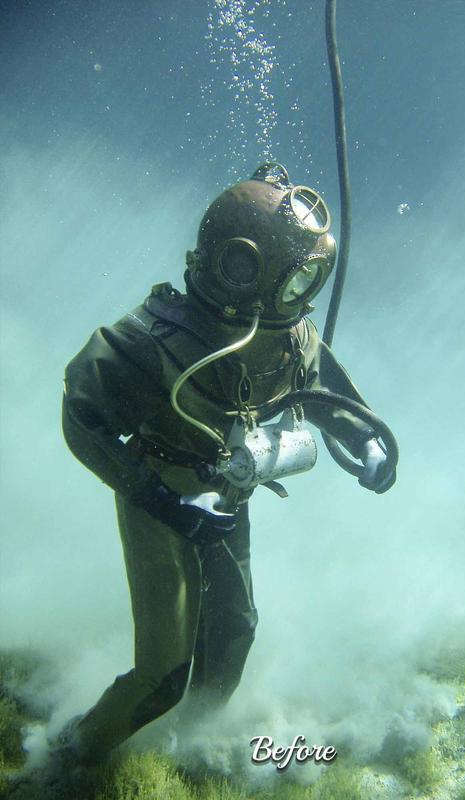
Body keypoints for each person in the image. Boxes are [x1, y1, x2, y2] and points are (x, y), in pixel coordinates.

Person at [54, 163, 396, 770]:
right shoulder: (150, 342)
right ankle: (68, 756)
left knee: (234, 633)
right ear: (240, 268)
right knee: (164, 673)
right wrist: (159, 500)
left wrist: (368, 443)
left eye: (311, 280)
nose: (303, 297)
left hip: (228, 496)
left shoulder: (292, 336)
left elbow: (320, 392)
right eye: (296, 281)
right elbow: (82, 416)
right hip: (160, 495)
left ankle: (188, 744)